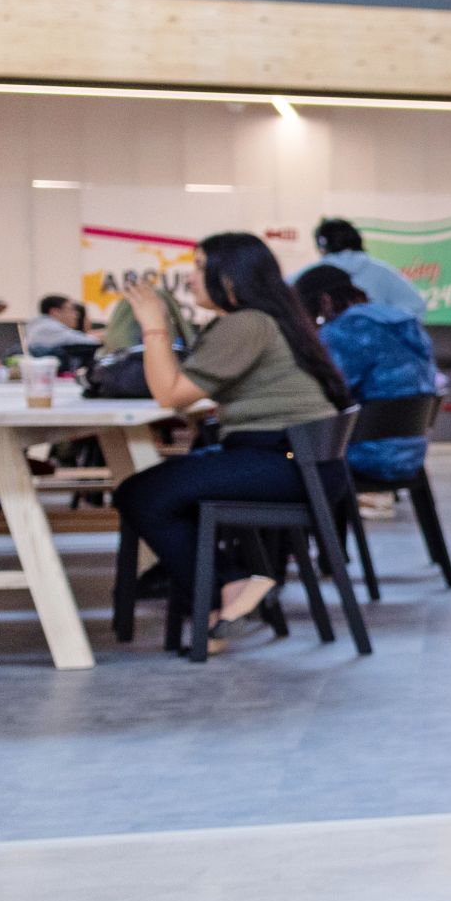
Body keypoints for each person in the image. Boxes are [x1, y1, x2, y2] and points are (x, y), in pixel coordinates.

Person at [111, 230, 347, 650]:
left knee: (142, 494)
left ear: (233, 278)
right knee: (164, 486)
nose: (191, 277)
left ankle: (230, 586)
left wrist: (152, 325)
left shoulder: (246, 323)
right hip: (302, 461)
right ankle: (225, 592)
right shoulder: (268, 319)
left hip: (285, 463)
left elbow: (172, 395)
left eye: (201, 267)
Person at [296, 263, 438, 495]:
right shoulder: (406, 324)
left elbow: (322, 393)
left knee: (286, 454)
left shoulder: (344, 330)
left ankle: (300, 528)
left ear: (324, 302)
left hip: (363, 454)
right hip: (411, 453)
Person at [310, 218, 427, 329]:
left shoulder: (308, 276)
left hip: (324, 347)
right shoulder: (382, 271)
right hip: (377, 346)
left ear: (322, 247)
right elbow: (416, 307)